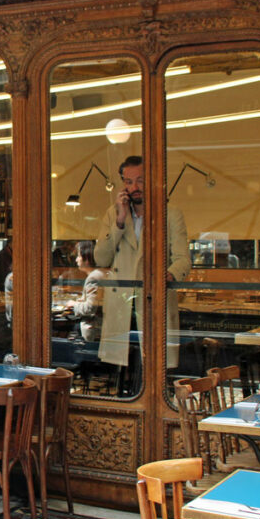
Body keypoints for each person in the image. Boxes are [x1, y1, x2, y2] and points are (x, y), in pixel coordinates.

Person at [94, 156, 190, 394]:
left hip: (153, 303)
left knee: (154, 369)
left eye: (140, 181)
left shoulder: (170, 214)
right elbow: (101, 259)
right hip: (121, 304)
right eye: (128, 182)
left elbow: (183, 259)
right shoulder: (113, 214)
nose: (134, 188)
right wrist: (119, 219)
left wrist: (166, 276)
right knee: (121, 370)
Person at [66, 241, 110, 343]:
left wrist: (74, 304)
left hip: (94, 330)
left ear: (86, 258)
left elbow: (90, 307)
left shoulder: (93, 277)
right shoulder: (100, 273)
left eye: (78, 256)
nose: (76, 260)